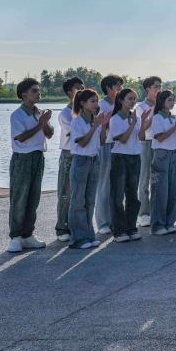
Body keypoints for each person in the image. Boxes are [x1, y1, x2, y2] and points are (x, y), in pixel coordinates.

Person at [7, 78, 53, 253]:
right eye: (34, 90)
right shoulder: (17, 115)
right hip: (22, 159)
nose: (38, 93)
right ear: (24, 94)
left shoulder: (38, 112)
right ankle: (15, 237)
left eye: (38, 90)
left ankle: (28, 235)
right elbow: (21, 137)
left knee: (34, 198)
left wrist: (45, 122)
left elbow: (48, 134)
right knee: (19, 198)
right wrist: (40, 124)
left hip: (38, 157)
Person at [69, 89, 110, 249]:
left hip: (94, 159)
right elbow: (83, 143)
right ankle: (78, 238)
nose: (96, 104)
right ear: (82, 103)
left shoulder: (95, 119)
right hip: (81, 161)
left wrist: (103, 126)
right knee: (78, 200)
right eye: (92, 101)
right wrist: (95, 126)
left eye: (96, 101)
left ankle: (88, 234)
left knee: (90, 199)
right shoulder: (77, 121)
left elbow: (101, 141)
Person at [108, 88, 144, 242]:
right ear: (121, 100)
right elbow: (122, 139)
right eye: (130, 98)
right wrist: (133, 124)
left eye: (135, 99)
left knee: (133, 195)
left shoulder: (136, 116)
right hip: (120, 158)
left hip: (135, 157)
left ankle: (131, 227)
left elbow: (141, 137)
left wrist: (141, 123)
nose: (133, 101)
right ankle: (119, 231)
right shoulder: (115, 118)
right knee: (118, 195)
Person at [150, 90, 176, 236]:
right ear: (162, 101)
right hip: (161, 155)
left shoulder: (175, 117)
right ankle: (158, 224)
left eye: (173, 100)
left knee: (173, 190)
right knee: (160, 191)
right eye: (169, 100)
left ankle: (169, 222)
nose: (172, 103)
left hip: (174, 154)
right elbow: (160, 138)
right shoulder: (157, 118)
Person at [55, 76, 84, 242]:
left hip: (84, 154)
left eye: (83, 87)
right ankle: (62, 228)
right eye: (78, 88)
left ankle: (78, 226)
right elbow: (76, 134)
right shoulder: (66, 113)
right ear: (69, 92)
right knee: (66, 193)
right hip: (69, 154)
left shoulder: (88, 110)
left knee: (81, 193)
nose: (81, 90)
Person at [95, 74, 123, 237]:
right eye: (117, 86)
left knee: (117, 186)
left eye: (120, 86)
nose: (119, 89)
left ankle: (115, 220)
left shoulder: (121, 104)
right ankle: (103, 222)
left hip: (120, 146)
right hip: (105, 146)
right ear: (108, 88)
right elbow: (98, 128)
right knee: (104, 185)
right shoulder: (101, 105)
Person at [135, 77, 161, 228]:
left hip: (159, 142)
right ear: (148, 89)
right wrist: (154, 111)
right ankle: (143, 213)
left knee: (157, 180)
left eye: (160, 86)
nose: (159, 89)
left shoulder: (162, 105)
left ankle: (156, 211)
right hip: (145, 143)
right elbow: (142, 129)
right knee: (144, 180)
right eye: (156, 87)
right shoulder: (140, 107)